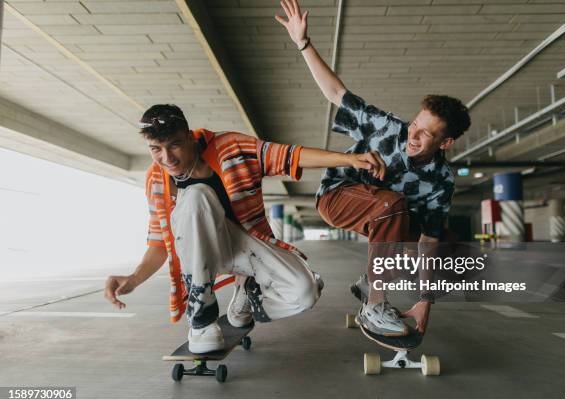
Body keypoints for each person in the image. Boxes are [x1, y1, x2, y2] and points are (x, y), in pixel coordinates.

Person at [104, 104, 386, 353]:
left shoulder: (230, 148)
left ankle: (248, 297)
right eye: (156, 149)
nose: (167, 158)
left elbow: (289, 155)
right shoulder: (156, 179)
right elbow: (158, 243)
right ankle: (202, 318)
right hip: (197, 252)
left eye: (175, 145)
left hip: (243, 243)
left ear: (190, 138)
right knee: (197, 196)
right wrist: (134, 279)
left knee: (304, 292)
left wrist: (348, 160)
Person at [276, 0, 471, 336]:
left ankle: (369, 283)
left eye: (426, 134)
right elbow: (337, 93)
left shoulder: (441, 181)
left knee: (449, 245)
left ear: (445, 143)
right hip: (338, 198)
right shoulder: (388, 127)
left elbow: (427, 239)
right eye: (416, 125)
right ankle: (375, 306)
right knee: (392, 203)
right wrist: (303, 43)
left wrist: (426, 298)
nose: (414, 135)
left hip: (384, 219)